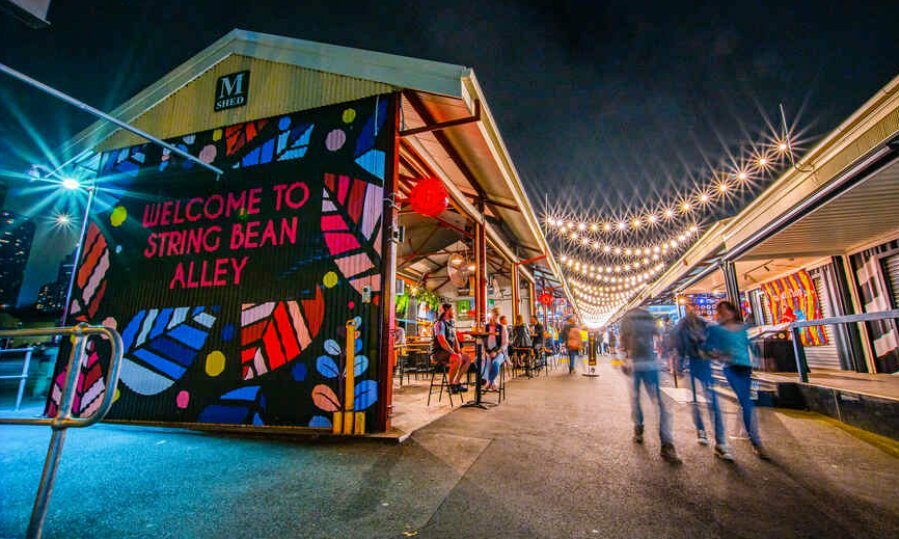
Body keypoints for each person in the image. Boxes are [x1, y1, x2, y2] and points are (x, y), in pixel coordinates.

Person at [705, 300, 769, 460]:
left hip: (745, 368)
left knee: (746, 403)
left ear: (733, 312)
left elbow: (751, 345)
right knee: (747, 403)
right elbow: (707, 349)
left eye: (726, 311)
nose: (724, 314)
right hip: (730, 368)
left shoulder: (743, 328)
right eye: (721, 312)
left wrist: (762, 358)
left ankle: (750, 435)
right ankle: (756, 441)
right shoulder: (717, 330)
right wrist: (719, 355)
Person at [620, 307, 680, 464]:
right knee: (659, 403)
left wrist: (625, 358)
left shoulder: (629, 316)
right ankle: (666, 443)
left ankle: (642, 429)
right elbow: (657, 337)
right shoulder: (646, 315)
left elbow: (625, 339)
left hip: (640, 363)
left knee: (637, 399)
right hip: (648, 363)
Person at [675, 303, 732, 461]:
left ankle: (720, 442)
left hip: (701, 365)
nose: (692, 310)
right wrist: (678, 366)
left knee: (710, 403)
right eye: (689, 307)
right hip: (691, 365)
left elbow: (713, 341)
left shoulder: (703, 324)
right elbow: (678, 346)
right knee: (699, 402)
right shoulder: (683, 325)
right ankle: (703, 432)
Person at [432, 303, 473, 394]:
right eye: (452, 310)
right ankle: (450, 386)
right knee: (457, 358)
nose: (454, 311)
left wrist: (458, 350)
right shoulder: (439, 324)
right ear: (447, 311)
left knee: (467, 359)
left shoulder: (452, 323)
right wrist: (454, 352)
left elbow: (454, 337)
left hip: (449, 352)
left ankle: (456, 382)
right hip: (439, 353)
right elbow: (442, 342)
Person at [481, 309, 508, 391]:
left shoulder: (501, 328)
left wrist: (497, 352)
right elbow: (482, 341)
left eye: (494, 316)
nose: (492, 318)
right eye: (491, 315)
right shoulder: (485, 327)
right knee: (481, 361)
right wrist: (484, 352)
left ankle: (490, 382)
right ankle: (487, 382)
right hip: (487, 352)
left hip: (499, 352)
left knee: (495, 363)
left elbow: (505, 344)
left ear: (497, 317)